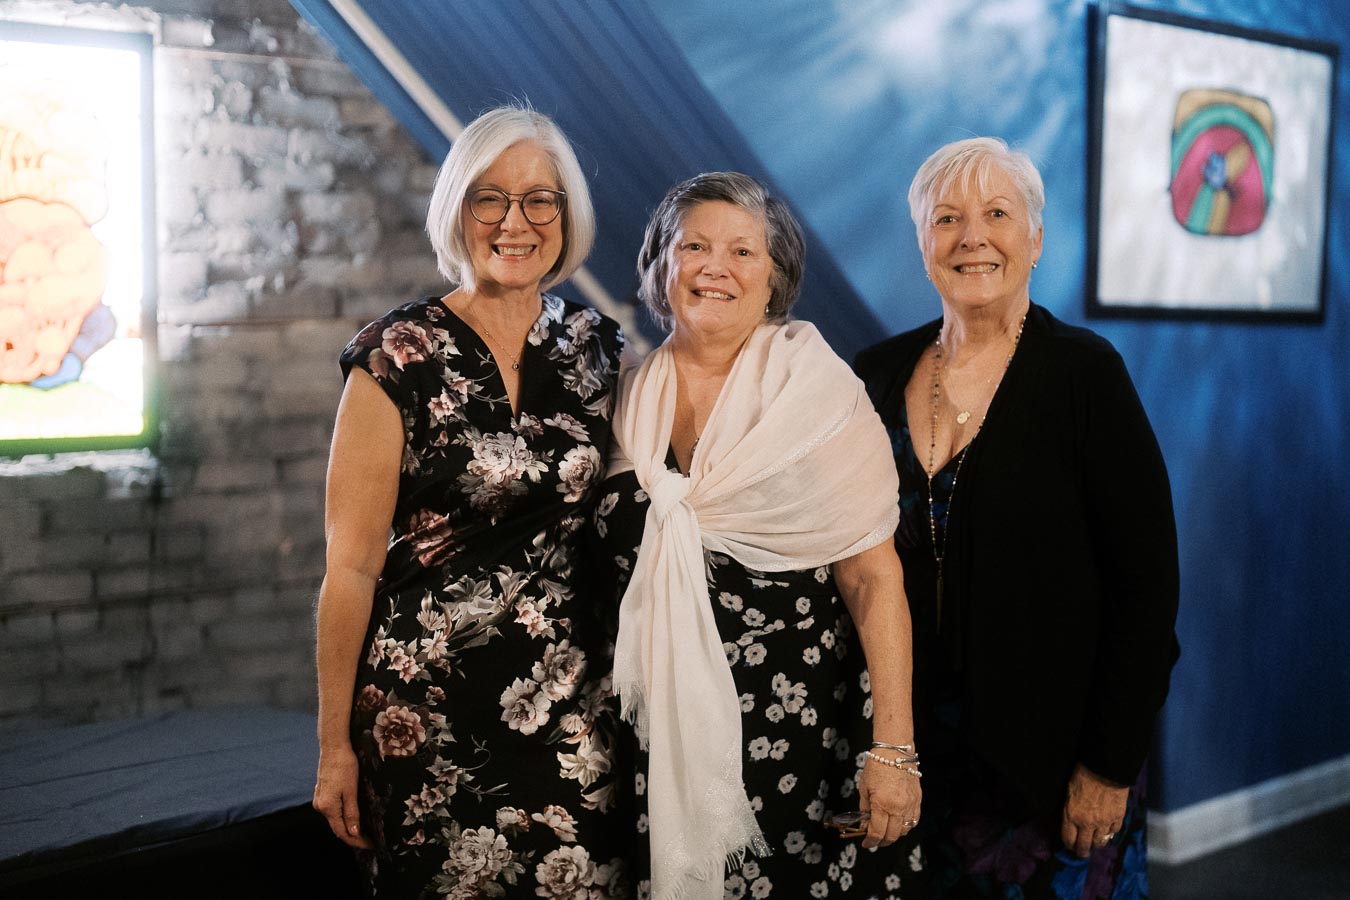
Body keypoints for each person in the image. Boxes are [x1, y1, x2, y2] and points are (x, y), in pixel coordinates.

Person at [312, 106, 630, 898]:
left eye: (539, 199)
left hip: (577, 715)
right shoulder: (394, 355)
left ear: (567, 214)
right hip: (425, 720)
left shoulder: (600, 348)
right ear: (458, 209)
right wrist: (332, 747)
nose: (514, 221)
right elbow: (350, 568)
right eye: (489, 198)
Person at [853, 137, 1180, 899]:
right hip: (911, 754)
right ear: (923, 243)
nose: (973, 237)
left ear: (1034, 238)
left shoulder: (1085, 375)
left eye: (997, 213)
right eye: (947, 219)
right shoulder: (874, 372)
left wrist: (1107, 766)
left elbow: (1148, 589)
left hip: (1054, 767)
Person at [588, 172, 926, 900]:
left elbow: (874, 580)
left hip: (801, 731)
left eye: (743, 251)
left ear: (774, 278)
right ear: (660, 267)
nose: (716, 266)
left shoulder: (819, 397)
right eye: (694, 246)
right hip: (659, 734)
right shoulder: (623, 401)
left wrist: (894, 750)